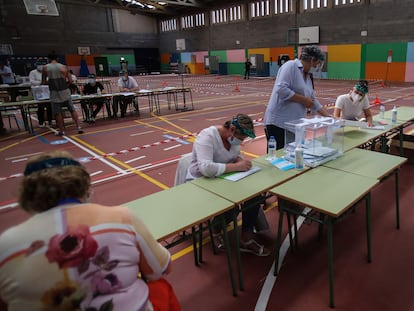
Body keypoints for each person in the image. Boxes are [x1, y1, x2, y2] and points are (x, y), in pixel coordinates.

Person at [0, 150, 182, 311]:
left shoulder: (5, 244)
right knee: (160, 286)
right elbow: (161, 269)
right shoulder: (122, 217)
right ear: (83, 185)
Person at [186, 114, 270, 257]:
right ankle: (216, 230)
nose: (240, 142)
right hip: (200, 181)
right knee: (231, 206)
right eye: (241, 138)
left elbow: (235, 155)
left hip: (222, 178)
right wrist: (236, 166)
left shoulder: (232, 140)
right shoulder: (207, 137)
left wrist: (240, 160)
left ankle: (247, 237)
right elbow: (206, 168)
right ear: (231, 129)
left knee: (255, 195)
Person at [264, 45, 331, 149]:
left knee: (293, 155)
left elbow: (313, 100)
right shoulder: (291, 66)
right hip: (279, 123)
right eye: (317, 64)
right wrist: (304, 100)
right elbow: (281, 89)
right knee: (278, 157)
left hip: (294, 125)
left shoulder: (307, 76)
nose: (316, 67)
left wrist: (330, 118)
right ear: (312, 60)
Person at [42, 52, 83, 136]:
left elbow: (43, 81)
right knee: (72, 109)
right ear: (57, 59)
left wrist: (50, 82)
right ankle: (78, 126)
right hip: (65, 91)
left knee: (57, 112)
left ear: (49, 59)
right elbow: (70, 81)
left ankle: (62, 131)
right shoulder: (63, 67)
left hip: (54, 92)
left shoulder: (45, 68)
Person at [29, 58, 52, 127]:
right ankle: (41, 122)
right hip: (38, 93)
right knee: (40, 108)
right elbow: (32, 82)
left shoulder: (47, 72)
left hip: (47, 92)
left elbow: (49, 80)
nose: (41, 66)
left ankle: (50, 121)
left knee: (49, 107)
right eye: (39, 65)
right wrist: (41, 82)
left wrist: (46, 82)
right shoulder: (33, 72)